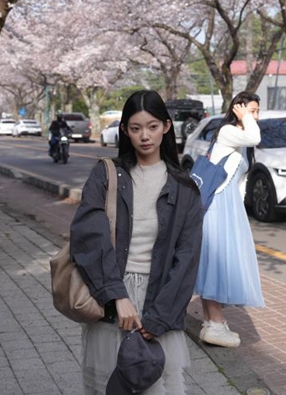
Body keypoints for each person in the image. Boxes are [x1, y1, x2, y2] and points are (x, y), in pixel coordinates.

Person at [69, 90, 204, 394]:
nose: (145, 136)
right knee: (110, 385)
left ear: (166, 127)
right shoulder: (106, 176)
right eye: (135, 128)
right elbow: (88, 238)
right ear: (125, 130)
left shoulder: (185, 189)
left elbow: (187, 259)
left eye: (152, 126)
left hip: (160, 298)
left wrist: (158, 319)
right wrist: (117, 296)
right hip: (112, 295)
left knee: (158, 387)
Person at [194, 91, 264, 348]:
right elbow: (255, 136)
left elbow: (240, 180)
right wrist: (245, 116)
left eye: (257, 112)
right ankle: (214, 324)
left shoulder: (238, 137)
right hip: (216, 205)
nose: (255, 116)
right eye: (251, 110)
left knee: (214, 263)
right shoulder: (228, 132)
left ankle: (214, 323)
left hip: (227, 205)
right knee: (215, 263)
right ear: (238, 109)